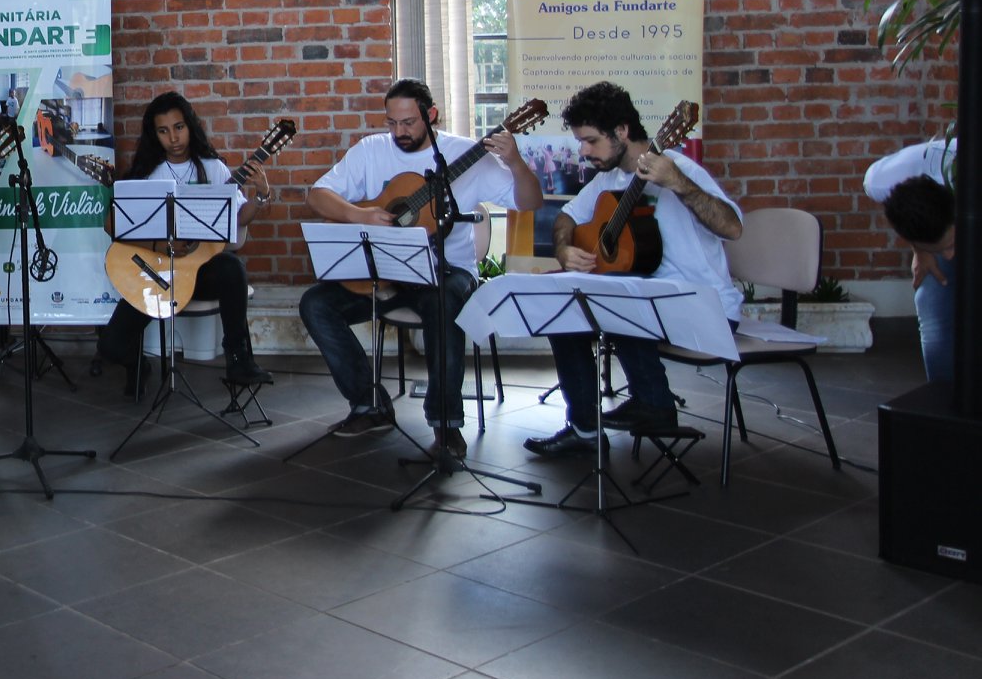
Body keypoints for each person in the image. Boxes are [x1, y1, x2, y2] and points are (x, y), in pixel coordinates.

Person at [296, 80, 540, 460]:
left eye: (408, 123)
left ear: (431, 115)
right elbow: (317, 194)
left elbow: (530, 202)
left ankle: (446, 425)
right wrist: (360, 214)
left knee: (443, 302)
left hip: (447, 271)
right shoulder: (373, 150)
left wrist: (515, 161)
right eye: (392, 122)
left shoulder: (465, 155)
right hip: (383, 270)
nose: (398, 132)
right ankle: (368, 405)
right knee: (316, 304)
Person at [525, 81, 744, 458]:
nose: (583, 151)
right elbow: (565, 217)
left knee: (621, 300)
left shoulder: (681, 168)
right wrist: (564, 249)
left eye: (591, 141)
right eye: (581, 141)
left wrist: (678, 184)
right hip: (648, 305)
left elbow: (733, 227)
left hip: (706, 308)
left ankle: (656, 405)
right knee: (562, 313)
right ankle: (585, 430)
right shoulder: (608, 182)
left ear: (622, 131)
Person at [99, 92, 275, 393]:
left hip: (200, 272)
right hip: (154, 275)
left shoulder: (213, 169)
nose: (174, 137)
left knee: (232, 268)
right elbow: (113, 225)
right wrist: (160, 245)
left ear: (190, 126)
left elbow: (240, 218)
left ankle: (238, 358)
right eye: (164, 131)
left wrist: (260, 196)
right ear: (154, 135)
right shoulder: (145, 174)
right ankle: (139, 365)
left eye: (179, 127)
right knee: (111, 346)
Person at [865, 138, 959, 384]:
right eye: (942, 248)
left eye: (950, 245)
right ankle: (941, 402)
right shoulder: (883, 180)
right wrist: (922, 249)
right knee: (933, 303)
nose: (950, 255)